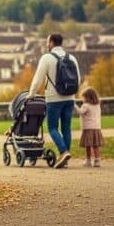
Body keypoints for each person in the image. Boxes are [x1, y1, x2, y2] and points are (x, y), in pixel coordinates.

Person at [27, 33, 80, 169]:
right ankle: (65, 159)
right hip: (70, 98)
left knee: (52, 127)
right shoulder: (72, 58)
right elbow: (78, 79)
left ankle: (64, 152)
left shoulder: (47, 58)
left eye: (47, 42)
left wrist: (31, 94)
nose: (46, 44)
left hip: (53, 99)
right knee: (66, 128)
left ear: (51, 43)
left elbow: (37, 79)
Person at [74, 87, 104, 167]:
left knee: (88, 145)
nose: (83, 99)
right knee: (95, 145)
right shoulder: (97, 105)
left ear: (87, 97)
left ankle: (88, 160)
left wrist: (74, 105)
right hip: (96, 128)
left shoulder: (86, 105)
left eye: (83, 97)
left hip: (88, 128)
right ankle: (97, 160)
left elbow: (80, 112)